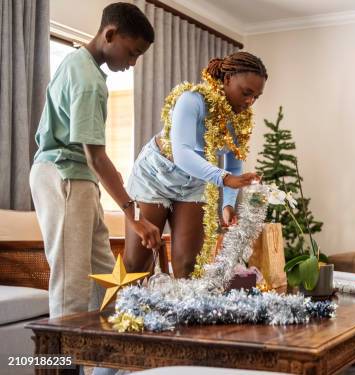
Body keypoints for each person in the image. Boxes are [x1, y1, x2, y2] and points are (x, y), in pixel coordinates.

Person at [30, 2, 161, 319]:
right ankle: (61, 367)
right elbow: (96, 156)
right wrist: (133, 215)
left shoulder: (78, 63)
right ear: (111, 34)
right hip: (64, 175)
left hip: (78, 180)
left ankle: (102, 366)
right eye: (132, 53)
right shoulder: (88, 81)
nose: (132, 63)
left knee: (106, 279)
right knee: (71, 285)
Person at [124, 52, 267, 277]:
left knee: (189, 264)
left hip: (195, 181)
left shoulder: (240, 120)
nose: (250, 101)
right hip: (157, 174)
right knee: (136, 265)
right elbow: (182, 153)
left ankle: (180, 312)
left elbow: (234, 165)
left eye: (256, 97)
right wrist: (225, 178)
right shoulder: (192, 100)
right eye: (246, 93)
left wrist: (227, 205)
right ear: (228, 79)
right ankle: (129, 312)